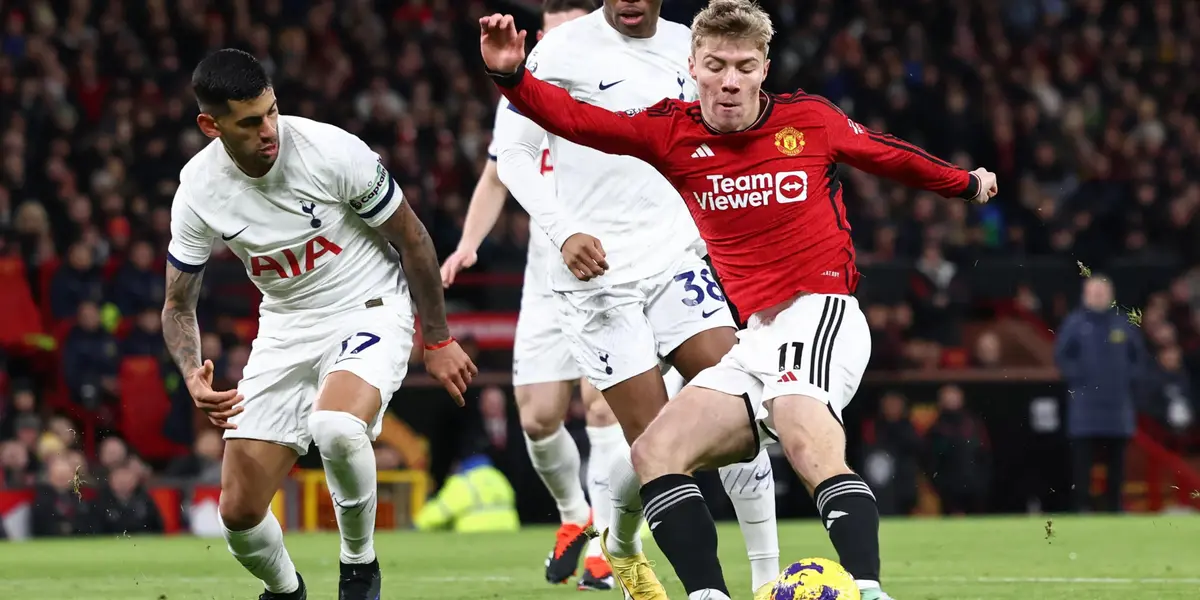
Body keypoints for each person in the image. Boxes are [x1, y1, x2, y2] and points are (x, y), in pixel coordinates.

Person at [479, 0, 999, 598]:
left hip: (820, 311)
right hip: (752, 336)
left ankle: (866, 588)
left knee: (804, 433)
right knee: (655, 450)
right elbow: (577, 121)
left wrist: (967, 183)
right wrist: (511, 78)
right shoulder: (672, 133)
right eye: (717, 65)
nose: (730, 81)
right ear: (693, 66)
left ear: (764, 68)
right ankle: (705, 592)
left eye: (745, 67)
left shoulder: (809, 121)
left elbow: (891, 155)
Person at [482, 1, 781, 598]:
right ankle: (675, 574)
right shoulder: (561, 50)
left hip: (675, 261)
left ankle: (769, 581)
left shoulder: (692, 48)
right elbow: (513, 155)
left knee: (743, 409)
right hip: (598, 278)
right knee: (657, 444)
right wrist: (562, 230)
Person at [163, 49, 476, 600]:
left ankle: (359, 568)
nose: (269, 130)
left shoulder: (330, 151)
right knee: (237, 514)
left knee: (336, 426)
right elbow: (178, 304)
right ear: (211, 126)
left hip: (369, 305)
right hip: (284, 326)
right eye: (250, 121)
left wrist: (439, 338)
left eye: (271, 111)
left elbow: (414, 240)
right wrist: (192, 374)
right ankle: (286, 592)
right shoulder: (197, 190)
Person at [440, 0, 621, 589]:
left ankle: (615, 545)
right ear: (540, 38)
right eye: (559, 37)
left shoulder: (614, 83)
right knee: (539, 418)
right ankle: (576, 518)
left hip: (610, 271)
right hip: (545, 280)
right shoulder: (520, 93)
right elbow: (497, 173)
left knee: (603, 408)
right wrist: (468, 243)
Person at [1054, 275, 1148, 513]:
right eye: (1094, 292)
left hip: (1117, 407)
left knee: (1117, 462)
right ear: (1085, 295)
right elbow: (1062, 357)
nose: (1099, 296)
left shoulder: (1122, 324)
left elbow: (1138, 358)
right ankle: (1082, 508)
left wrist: (1127, 378)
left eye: (1102, 292)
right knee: (1082, 462)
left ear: (1111, 295)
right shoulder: (1075, 323)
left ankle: (1114, 507)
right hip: (1085, 406)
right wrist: (1081, 379)